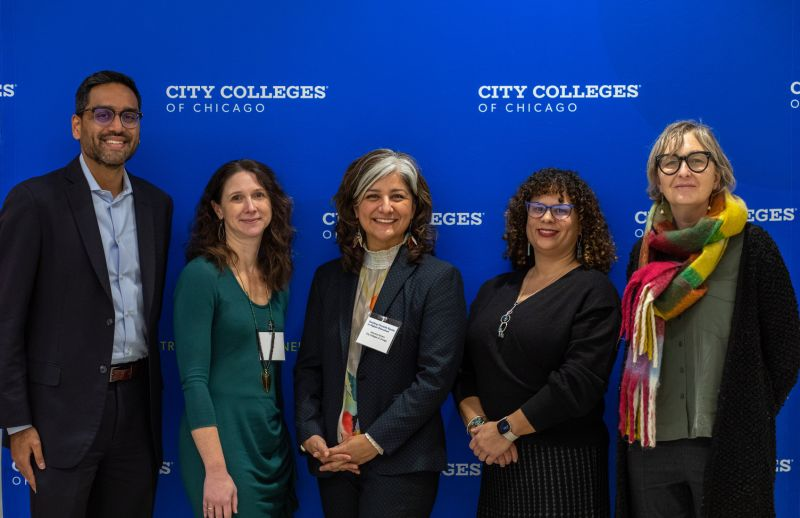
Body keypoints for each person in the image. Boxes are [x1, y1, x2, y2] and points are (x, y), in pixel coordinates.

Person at [0, 70, 172, 517]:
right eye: (104, 114)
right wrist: (17, 423)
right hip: (58, 417)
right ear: (78, 126)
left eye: (129, 116)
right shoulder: (35, 201)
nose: (117, 126)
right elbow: (5, 320)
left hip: (137, 410)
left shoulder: (157, 206)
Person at [616, 120, 800, 518]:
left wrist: (750, 410)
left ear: (717, 173)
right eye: (671, 162)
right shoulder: (644, 254)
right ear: (658, 179)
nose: (683, 171)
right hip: (650, 445)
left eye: (697, 160)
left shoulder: (753, 248)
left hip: (729, 442)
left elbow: (786, 349)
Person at [294, 148, 467, 517]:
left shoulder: (437, 279)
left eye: (397, 196)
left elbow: (435, 378)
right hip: (335, 457)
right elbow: (310, 366)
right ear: (353, 207)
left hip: (401, 462)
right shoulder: (329, 278)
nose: (384, 207)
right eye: (372, 196)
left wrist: (373, 441)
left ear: (415, 207)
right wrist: (311, 433)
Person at [454, 168, 621, 518]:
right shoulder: (493, 290)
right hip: (497, 460)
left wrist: (505, 430)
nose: (548, 218)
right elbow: (465, 373)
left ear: (581, 223)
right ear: (523, 217)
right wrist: (481, 430)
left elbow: (578, 384)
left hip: (563, 467)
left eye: (562, 209)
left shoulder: (594, 291)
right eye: (537, 208)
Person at [174, 159, 298, 518]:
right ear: (217, 209)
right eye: (236, 198)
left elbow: (268, 369)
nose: (250, 207)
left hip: (270, 445)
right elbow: (193, 381)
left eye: (259, 195)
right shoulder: (202, 277)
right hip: (222, 447)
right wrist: (214, 470)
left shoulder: (277, 281)